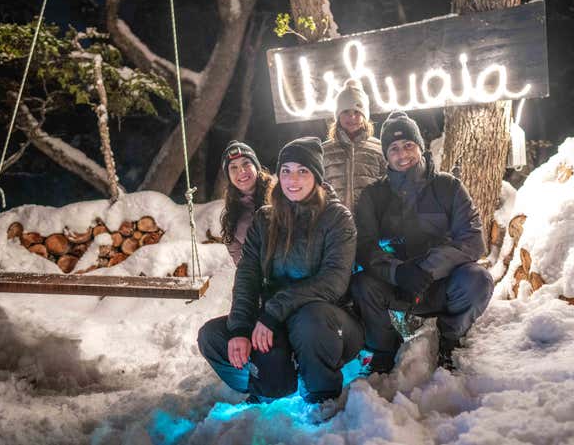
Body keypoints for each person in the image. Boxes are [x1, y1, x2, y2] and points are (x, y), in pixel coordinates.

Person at [198, 137, 364, 405]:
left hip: (327, 321)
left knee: (310, 320)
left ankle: (322, 396)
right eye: (286, 170)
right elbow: (247, 277)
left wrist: (273, 311)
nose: (292, 179)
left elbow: (333, 282)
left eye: (302, 171)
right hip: (276, 321)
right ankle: (264, 383)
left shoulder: (337, 218)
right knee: (212, 336)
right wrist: (240, 328)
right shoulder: (265, 219)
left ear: (317, 177)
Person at [351, 111, 493, 373]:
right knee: (361, 284)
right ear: (385, 155)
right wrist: (398, 272)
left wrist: (426, 270)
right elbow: (365, 248)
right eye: (393, 148)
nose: (402, 154)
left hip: (441, 284)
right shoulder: (373, 195)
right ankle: (384, 350)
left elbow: (473, 240)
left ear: (420, 146)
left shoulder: (448, 186)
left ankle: (449, 338)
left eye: (408, 145)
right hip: (398, 286)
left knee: (478, 280)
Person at [322, 79, 387, 211]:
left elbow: (387, 188)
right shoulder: (324, 151)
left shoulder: (379, 149)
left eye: (357, 112)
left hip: (370, 223)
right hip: (335, 224)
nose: (351, 117)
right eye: (346, 112)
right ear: (338, 115)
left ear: (365, 116)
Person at [219, 140, 276, 265]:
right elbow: (243, 265)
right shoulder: (231, 218)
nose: (241, 171)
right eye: (233, 167)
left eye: (246, 163)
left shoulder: (279, 196)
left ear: (256, 166)